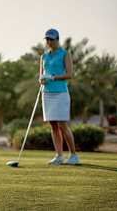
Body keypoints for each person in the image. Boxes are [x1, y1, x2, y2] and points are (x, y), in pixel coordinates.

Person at [39, 28, 79, 165]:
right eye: (47, 39)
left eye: (52, 39)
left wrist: (52, 77)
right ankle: (59, 155)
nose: (49, 42)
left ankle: (73, 154)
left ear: (57, 39)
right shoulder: (43, 56)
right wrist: (42, 79)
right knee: (53, 126)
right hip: (47, 93)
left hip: (60, 93)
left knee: (62, 125)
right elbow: (41, 75)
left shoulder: (65, 54)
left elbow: (69, 74)